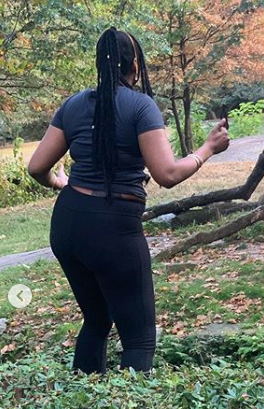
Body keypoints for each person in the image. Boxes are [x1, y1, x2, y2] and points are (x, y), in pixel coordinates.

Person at [28, 27, 230, 374]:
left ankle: (84, 405)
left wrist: (61, 182)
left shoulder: (73, 105)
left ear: (99, 64)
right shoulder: (140, 105)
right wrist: (208, 148)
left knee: (96, 320)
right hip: (113, 229)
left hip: (68, 225)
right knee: (138, 338)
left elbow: (36, 167)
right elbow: (166, 174)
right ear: (135, 64)